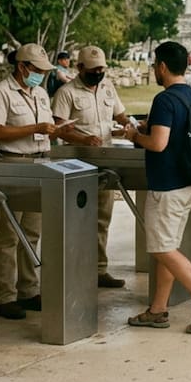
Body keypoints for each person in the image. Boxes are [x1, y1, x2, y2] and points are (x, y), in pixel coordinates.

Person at [124, 41, 191, 333]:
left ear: (163, 67)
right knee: (168, 246)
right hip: (187, 181)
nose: (155, 70)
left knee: (162, 248)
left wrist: (134, 135)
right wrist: (148, 129)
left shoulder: (165, 100)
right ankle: (158, 309)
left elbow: (158, 143)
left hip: (166, 185)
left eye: (156, 65)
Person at [0, 43, 63, 320]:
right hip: (12, 164)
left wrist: (51, 130)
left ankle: (28, 291)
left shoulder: (41, 93)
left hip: (40, 161)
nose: (42, 75)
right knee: (8, 233)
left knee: (32, 231)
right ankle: (5, 296)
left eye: (44, 71)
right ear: (22, 67)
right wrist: (35, 128)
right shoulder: (1, 92)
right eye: (38, 70)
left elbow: (43, 125)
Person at [50, 46, 132, 289]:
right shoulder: (66, 93)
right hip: (77, 161)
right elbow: (58, 127)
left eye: (102, 70)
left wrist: (131, 126)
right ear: (80, 68)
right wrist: (82, 139)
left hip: (105, 160)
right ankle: (73, 269)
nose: (99, 74)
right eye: (94, 70)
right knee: (76, 218)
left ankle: (99, 269)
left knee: (102, 218)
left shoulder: (108, 88)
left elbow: (120, 115)